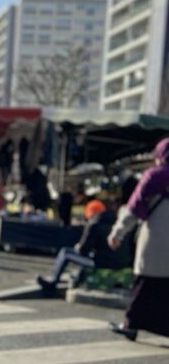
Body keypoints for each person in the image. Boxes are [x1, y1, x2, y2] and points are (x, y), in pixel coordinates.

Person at [107, 137, 169, 341]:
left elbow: (133, 209)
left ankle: (131, 325)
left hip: (156, 240)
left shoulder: (154, 177)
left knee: (144, 287)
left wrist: (117, 233)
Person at [37, 198, 131, 296]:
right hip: (122, 262)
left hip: (102, 263)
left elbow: (83, 251)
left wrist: (78, 247)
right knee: (90, 255)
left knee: (66, 253)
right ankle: (78, 280)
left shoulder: (94, 224)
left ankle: (53, 283)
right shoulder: (117, 222)